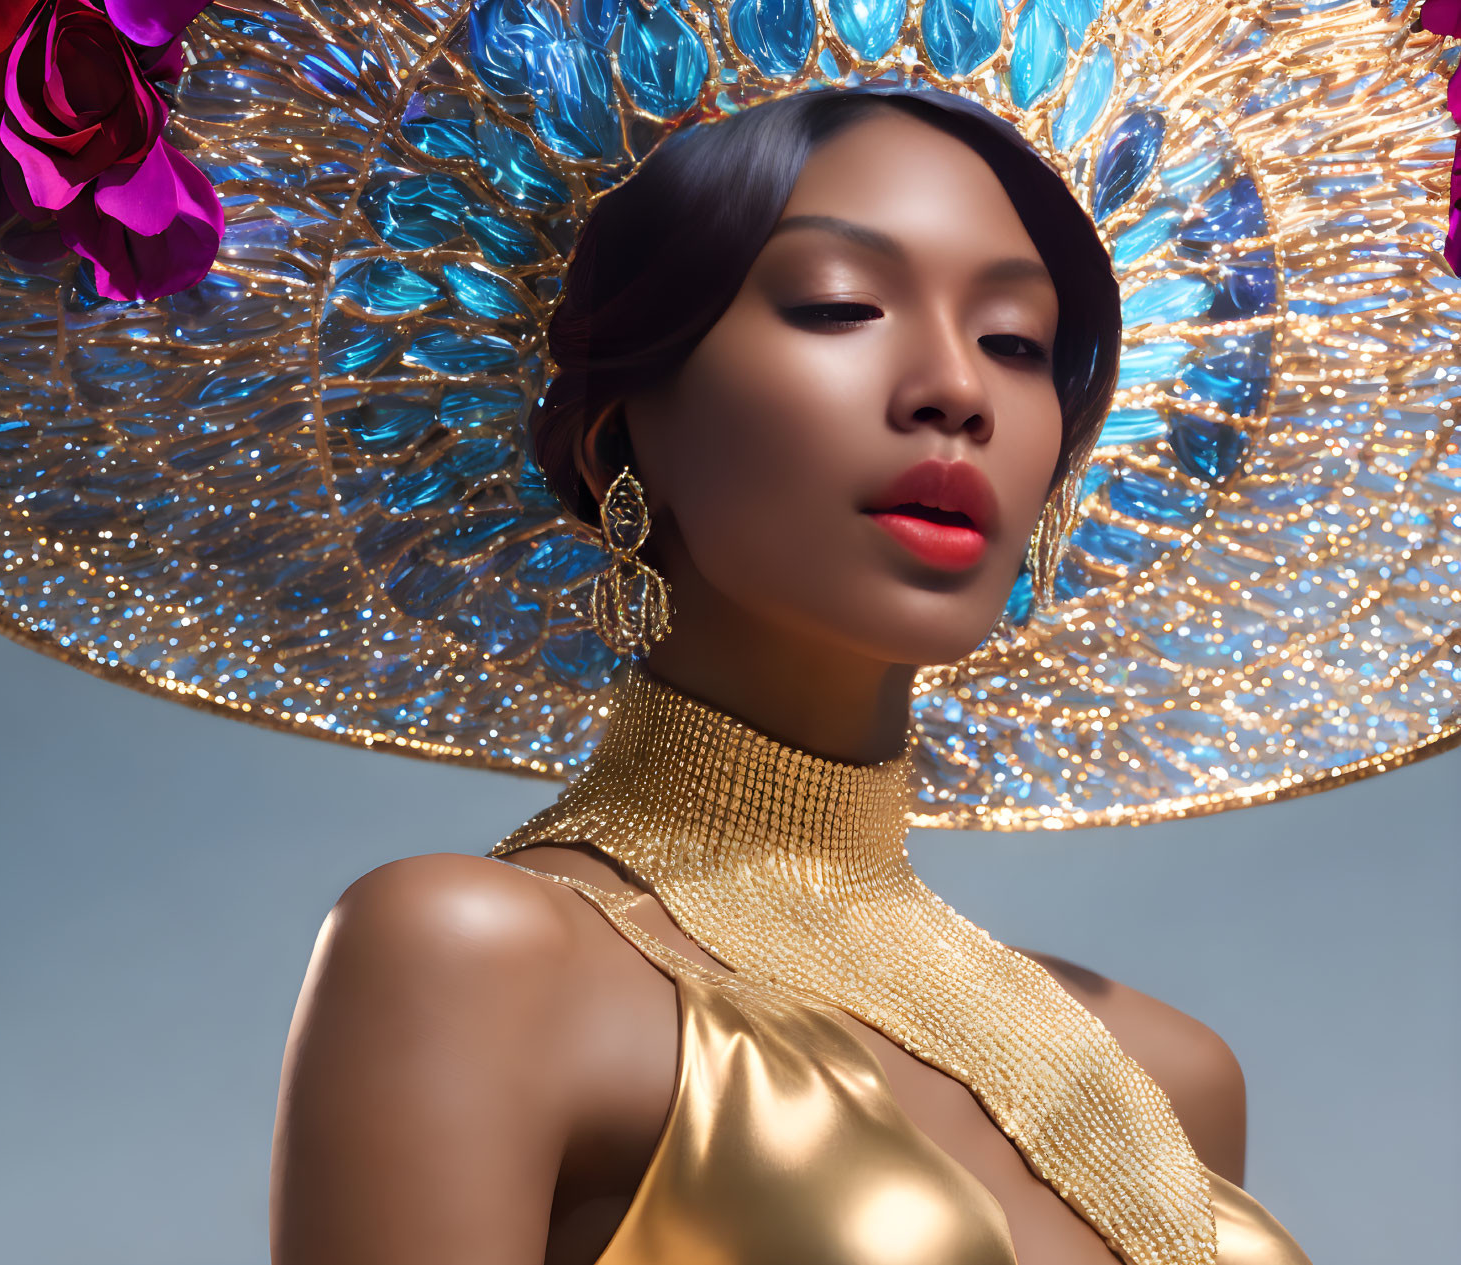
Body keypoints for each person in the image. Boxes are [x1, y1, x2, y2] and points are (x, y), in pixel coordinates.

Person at [267, 88, 1311, 1265]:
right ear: (621, 436)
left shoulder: (1169, 1075)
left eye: (1016, 340)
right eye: (838, 305)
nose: (955, 389)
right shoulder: (474, 957)